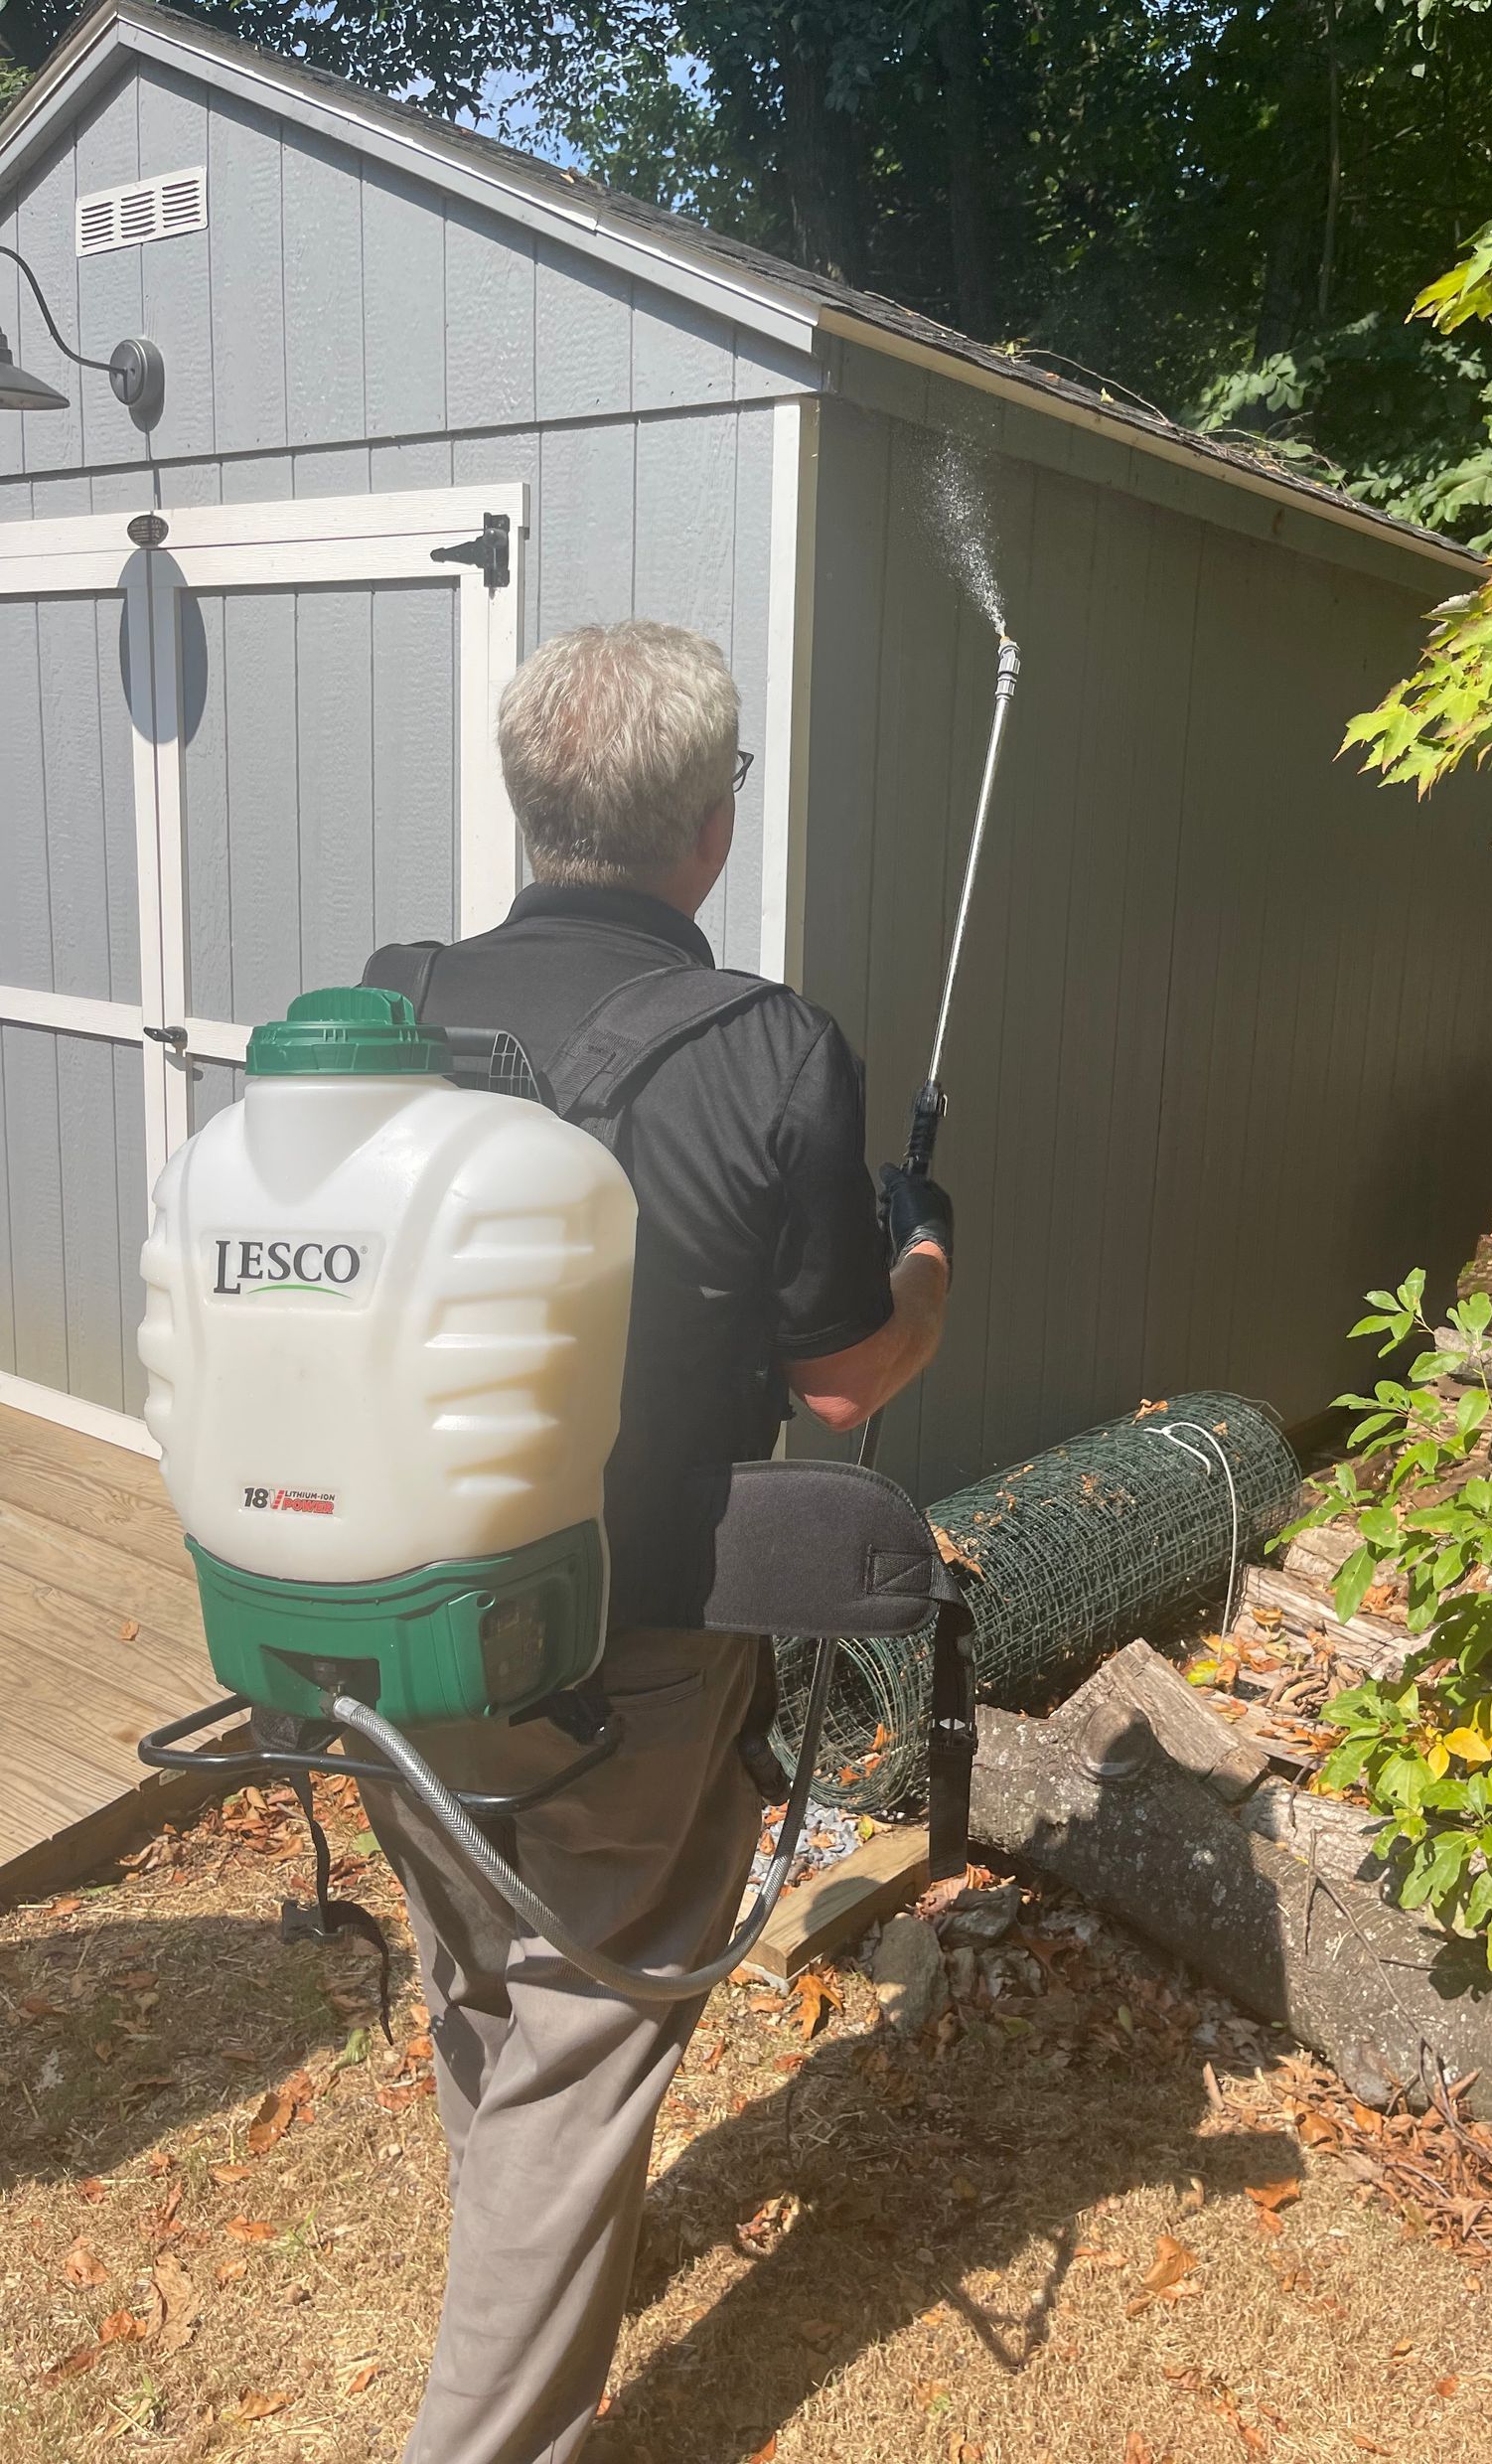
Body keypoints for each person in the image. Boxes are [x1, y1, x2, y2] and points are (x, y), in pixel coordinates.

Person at [354, 619, 954, 2464]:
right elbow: (846, 1385)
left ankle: (527, 2253)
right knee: (590, 2020)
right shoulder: (774, 1049)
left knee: (480, 1963)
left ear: (536, 808)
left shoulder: (384, 1000)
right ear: (706, 826)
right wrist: (920, 1249)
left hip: (385, 1615)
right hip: (638, 1643)